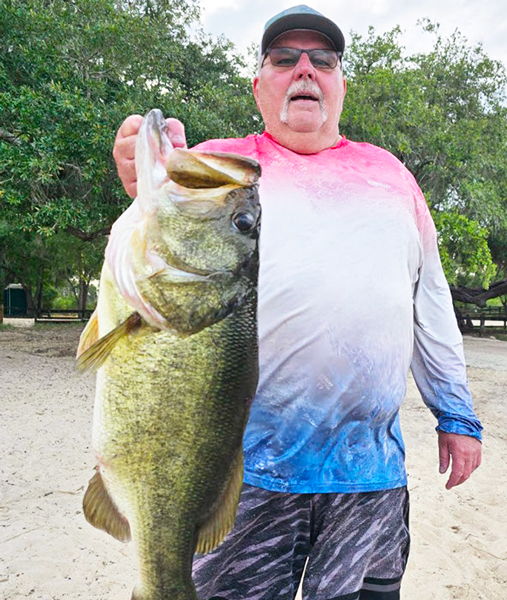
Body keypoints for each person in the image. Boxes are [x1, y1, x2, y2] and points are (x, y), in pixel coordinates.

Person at [112, 5, 483, 599]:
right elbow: (156, 217)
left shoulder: (394, 177)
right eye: (284, 59)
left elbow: (429, 302)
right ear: (259, 84)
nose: (304, 70)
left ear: (341, 84)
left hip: (369, 471)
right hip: (243, 469)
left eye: (323, 60)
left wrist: (456, 413)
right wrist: (144, 164)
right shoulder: (221, 168)